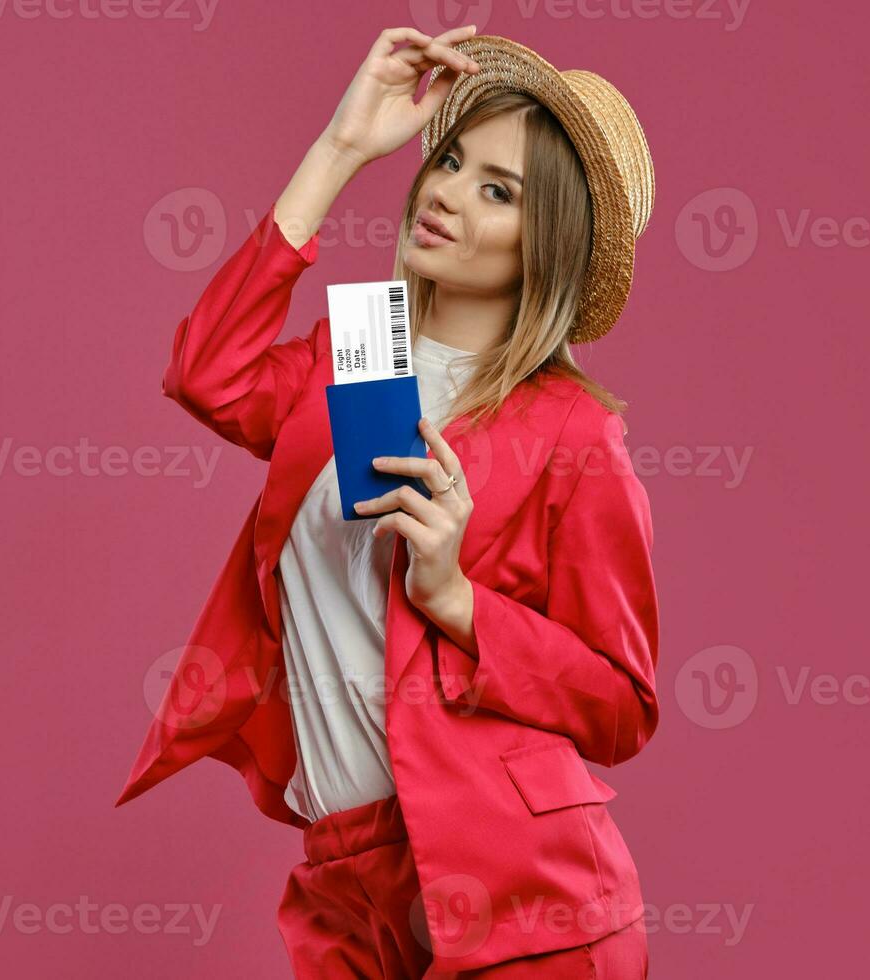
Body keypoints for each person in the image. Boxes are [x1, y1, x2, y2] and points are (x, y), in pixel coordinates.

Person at [117, 26, 660, 979]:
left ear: (551, 243)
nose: (447, 191)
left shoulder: (573, 432)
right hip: (345, 874)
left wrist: (457, 597)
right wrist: (340, 147)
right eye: (450, 160)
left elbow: (622, 705)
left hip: (516, 891)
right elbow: (207, 373)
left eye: (499, 190)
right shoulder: (363, 357)